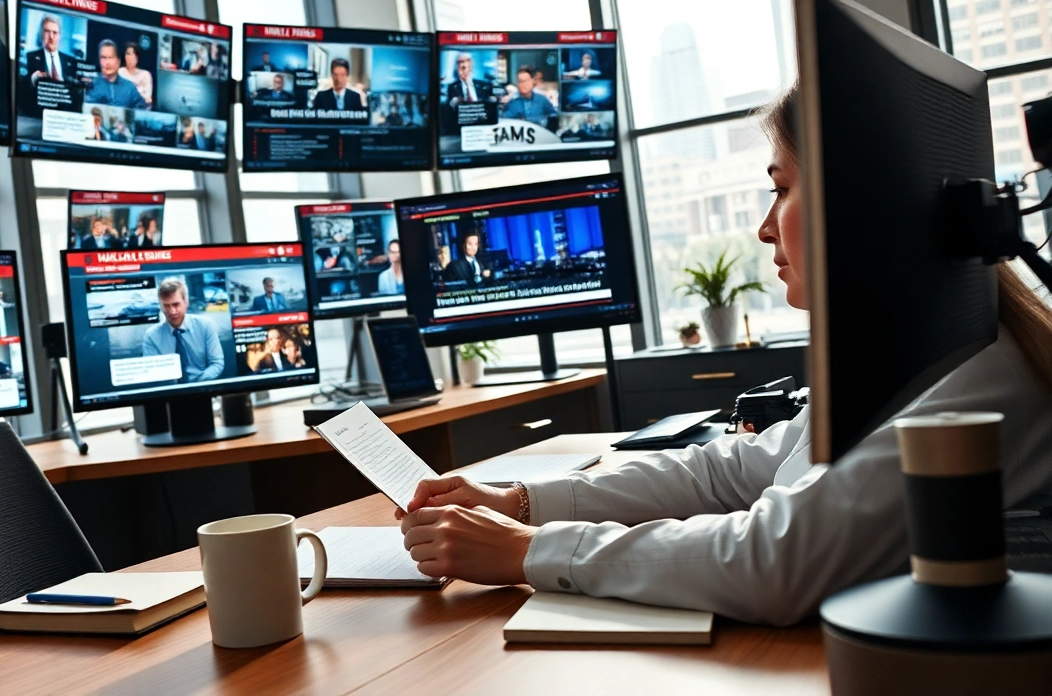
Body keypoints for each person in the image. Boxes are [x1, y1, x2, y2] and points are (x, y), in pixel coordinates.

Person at [393, 84, 1052, 626]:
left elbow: (777, 563)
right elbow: (729, 475)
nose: (765, 227)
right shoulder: (912, 351)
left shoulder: (973, 369)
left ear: (861, 203)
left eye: (782, 188)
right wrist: (522, 503)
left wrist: (529, 551)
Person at [141, 278, 224, 383]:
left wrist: (195, 386)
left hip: (202, 387)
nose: (172, 311)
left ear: (186, 302)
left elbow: (217, 363)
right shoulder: (151, 336)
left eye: (176, 304)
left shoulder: (205, 326)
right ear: (161, 306)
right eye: (166, 306)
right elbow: (150, 372)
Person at [24, 14, 78, 98]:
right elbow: (23, 88)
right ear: (41, 33)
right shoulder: (30, 57)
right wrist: (33, 78)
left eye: (55, 33)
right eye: (47, 31)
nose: (51, 37)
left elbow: (75, 92)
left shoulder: (71, 61)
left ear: (59, 36)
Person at [85, 39, 148, 110]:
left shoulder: (129, 88)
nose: (107, 62)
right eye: (104, 58)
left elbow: (142, 110)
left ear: (118, 61)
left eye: (110, 58)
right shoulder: (91, 84)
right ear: (99, 61)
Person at [118, 43, 154, 107]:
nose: (132, 57)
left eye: (134, 54)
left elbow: (148, 98)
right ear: (124, 56)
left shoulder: (145, 74)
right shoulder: (120, 72)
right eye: (129, 54)